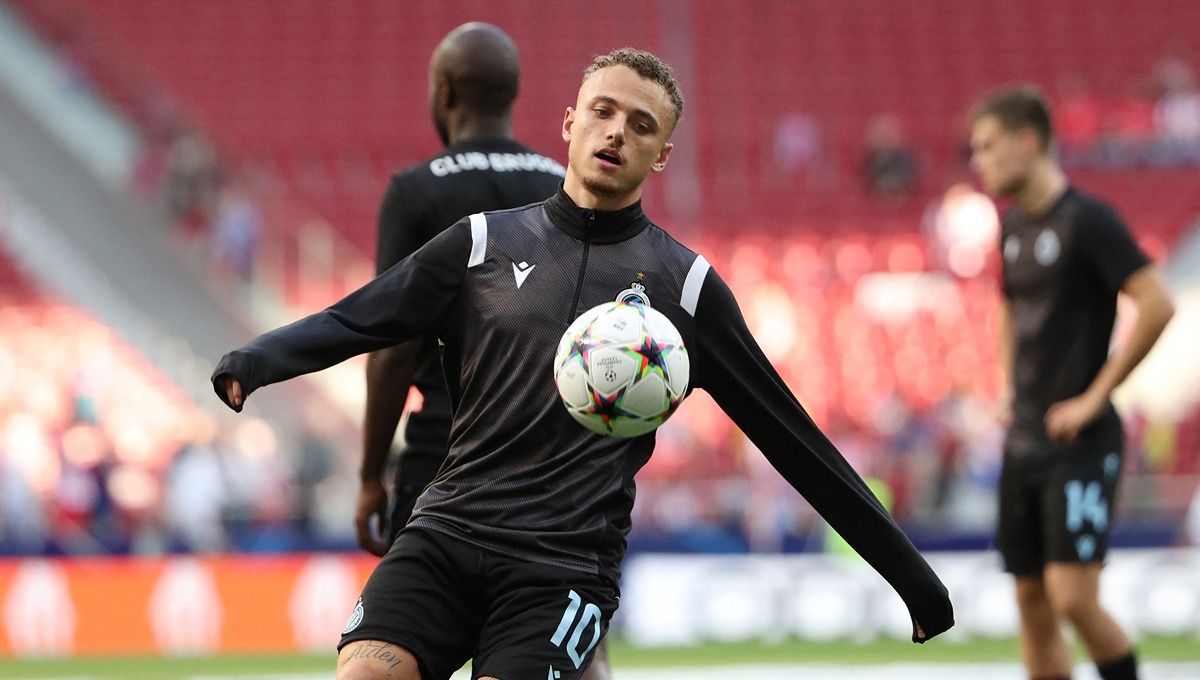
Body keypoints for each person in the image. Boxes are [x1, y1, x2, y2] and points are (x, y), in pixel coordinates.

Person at [213, 48, 954, 680]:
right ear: (569, 123)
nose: (616, 132)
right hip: (445, 532)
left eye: (641, 126)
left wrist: (913, 579)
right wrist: (258, 359)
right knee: (368, 671)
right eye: (602, 111)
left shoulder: (684, 288)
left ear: (661, 155)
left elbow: (793, 440)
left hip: (562, 564)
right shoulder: (480, 245)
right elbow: (362, 315)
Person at [354, 22, 613, 680]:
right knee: (570, 649)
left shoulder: (417, 192)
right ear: (516, 95)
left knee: (406, 644)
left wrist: (367, 477)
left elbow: (391, 347)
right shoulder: (569, 184)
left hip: (447, 457)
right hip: (555, 467)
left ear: (443, 92)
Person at [969, 87, 1175, 680]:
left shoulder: (1088, 220)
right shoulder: (1010, 228)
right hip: (1025, 439)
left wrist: (1094, 396)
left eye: (988, 147)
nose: (978, 161)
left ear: (1027, 142)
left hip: (1080, 444)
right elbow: (1009, 309)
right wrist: (1007, 389)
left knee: (1072, 596)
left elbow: (1156, 303)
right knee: (1031, 602)